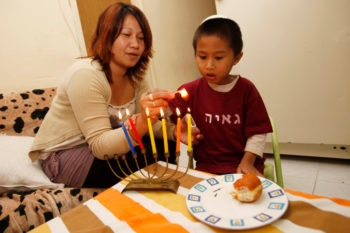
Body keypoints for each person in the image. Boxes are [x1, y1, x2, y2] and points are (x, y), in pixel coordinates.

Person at [29, 2, 176, 188]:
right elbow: (100, 146)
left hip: (105, 141)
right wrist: (144, 121)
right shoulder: (85, 75)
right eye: (126, 35)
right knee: (144, 160)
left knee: (167, 147)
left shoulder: (136, 76)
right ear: (107, 35)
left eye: (141, 38)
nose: (135, 44)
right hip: (64, 154)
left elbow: (148, 125)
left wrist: (175, 132)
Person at [169, 15, 272, 177]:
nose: (209, 65)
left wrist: (248, 161)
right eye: (202, 57)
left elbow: (257, 133)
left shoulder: (247, 90)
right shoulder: (189, 91)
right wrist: (173, 123)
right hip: (207, 166)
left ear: (237, 58)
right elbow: (168, 115)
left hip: (244, 164)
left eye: (218, 58)